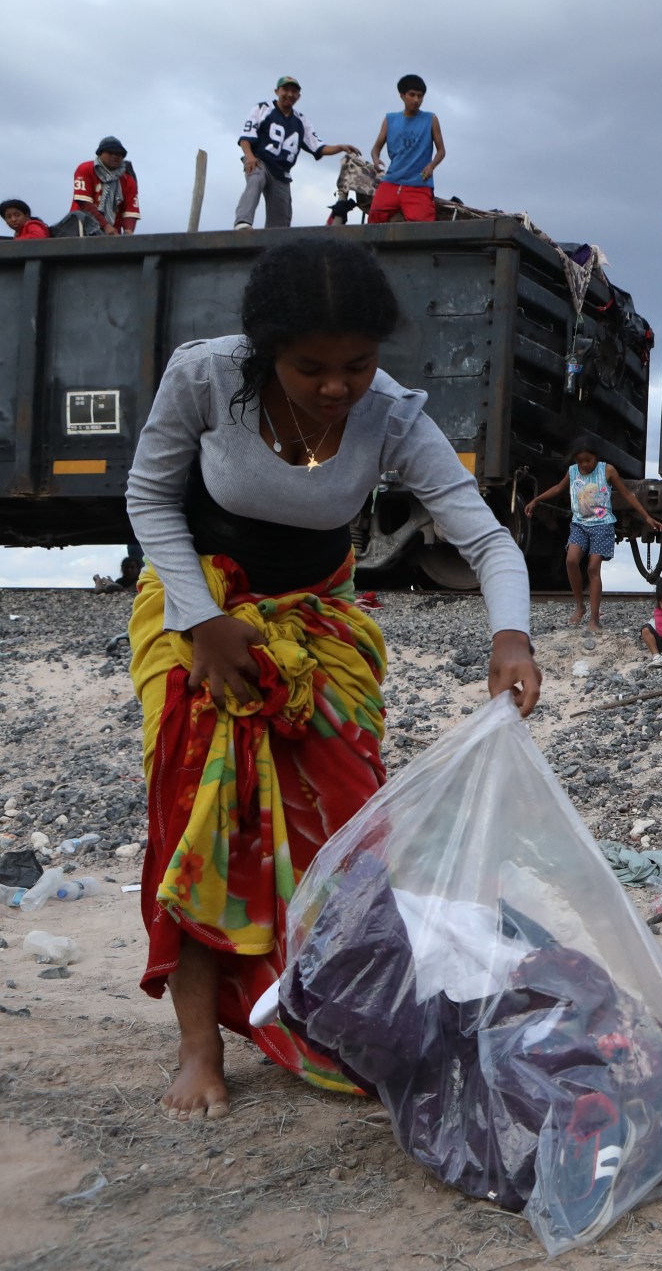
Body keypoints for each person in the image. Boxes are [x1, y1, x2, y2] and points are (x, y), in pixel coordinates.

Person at [123, 237, 542, 1120]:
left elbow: (487, 538)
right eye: (311, 367)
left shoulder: (391, 413)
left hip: (321, 621)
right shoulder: (204, 378)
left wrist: (512, 638)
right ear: (267, 350)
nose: (336, 387)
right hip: (199, 608)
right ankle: (200, 1049)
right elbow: (149, 497)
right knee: (202, 814)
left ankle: (334, 1012)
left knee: (350, 830)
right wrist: (201, 621)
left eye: (356, 364)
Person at [525, 443, 662, 629]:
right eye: (580, 461)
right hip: (579, 525)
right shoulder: (573, 471)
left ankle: (594, 619)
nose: (584, 465)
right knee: (571, 560)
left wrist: (647, 517)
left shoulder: (607, 470)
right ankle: (580, 606)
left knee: (593, 567)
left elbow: (628, 495)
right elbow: (558, 488)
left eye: (588, 460)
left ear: (596, 457)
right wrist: (537, 500)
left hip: (602, 525)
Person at [234, 78, 358, 231]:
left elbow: (317, 146)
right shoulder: (262, 109)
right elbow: (246, 137)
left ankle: (274, 243)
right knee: (256, 179)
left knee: (281, 218)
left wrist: (340, 147)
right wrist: (250, 157)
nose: (289, 94)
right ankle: (243, 222)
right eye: (286, 90)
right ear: (277, 91)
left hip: (282, 172)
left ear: (298, 96)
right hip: (261, 161)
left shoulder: (301, 121)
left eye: (294, 91)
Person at [367, 74, 444, 224]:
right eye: (412, 95)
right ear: (402, 96)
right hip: (392, 181)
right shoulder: (390, 119)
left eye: (420, 96)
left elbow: (441, 151)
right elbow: (375, 149)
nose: (416, 100)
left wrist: (431, 166)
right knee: (375, 219)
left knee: (423, 228)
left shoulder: (431, 119)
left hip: (418, 184)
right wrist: (376, 161)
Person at [71, 136, 141, 235]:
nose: (115, 156)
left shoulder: (128, 179)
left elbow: (130, 211)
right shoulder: (85, 169)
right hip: (81, 230)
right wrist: (105, 226)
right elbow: (84, 203)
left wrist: (128, 231)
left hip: (113, 234)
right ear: (100, 153)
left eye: (119, 153)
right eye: (110, 152)